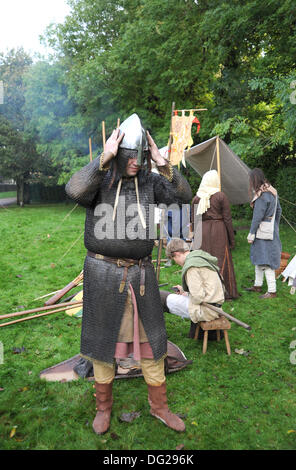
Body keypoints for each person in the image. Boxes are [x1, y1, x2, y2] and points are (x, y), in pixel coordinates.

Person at [65, 114, 192, 434]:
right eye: (130, 156)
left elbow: (184, 198)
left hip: (141, 276)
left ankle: (160, 408)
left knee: (153, 345)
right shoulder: (102, 180)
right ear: (120, 153)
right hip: (103, 273)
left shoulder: (151, 180)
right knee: (103, 346)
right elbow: (74, 189)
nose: (136, 162)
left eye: (141, 157)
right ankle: (103, 408)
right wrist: (102, 159)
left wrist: (164, 164)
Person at [163, 238, 225, 339]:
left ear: (177, 253)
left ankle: (158, 337)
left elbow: (197, 297)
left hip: (206, 310)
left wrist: (188, 295)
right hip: (216, 305)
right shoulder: (200, 258)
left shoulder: (191, 267)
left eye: (173, 258)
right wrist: (185, 292)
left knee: (161, 297)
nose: (175, 261)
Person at [191, 170, 239, 300]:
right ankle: (224, 292)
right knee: (221, 259)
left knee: (204, 261)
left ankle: (206, 292)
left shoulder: (196, 198)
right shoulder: (220, 196)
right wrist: (231, 239)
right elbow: (228, 219)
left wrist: (196, 239)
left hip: (202, 231)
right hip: (219, 230)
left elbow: (193, 221)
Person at [245, 168, 282, 299]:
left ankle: (272, 291)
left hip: (262, 232)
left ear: (253, 180)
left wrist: (251, 233)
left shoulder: (262, 195)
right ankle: (257, 285)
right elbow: (278, 210)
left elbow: (257, 217)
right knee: (260, 258)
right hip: (271, 229)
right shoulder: (272, 192)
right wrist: (274, 225)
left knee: (265, 261)